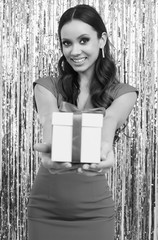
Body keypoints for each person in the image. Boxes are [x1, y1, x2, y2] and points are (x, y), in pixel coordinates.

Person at [27, 4, 138, 240]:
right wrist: (51, 151)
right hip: (45, 210)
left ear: (102, 39)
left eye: (84, 40)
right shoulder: (47, 86)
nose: (75, 51)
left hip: (95, 213)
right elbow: (49, 118)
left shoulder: (124, 93)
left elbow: (109, 119)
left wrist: (105, 150)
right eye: (67, 43)